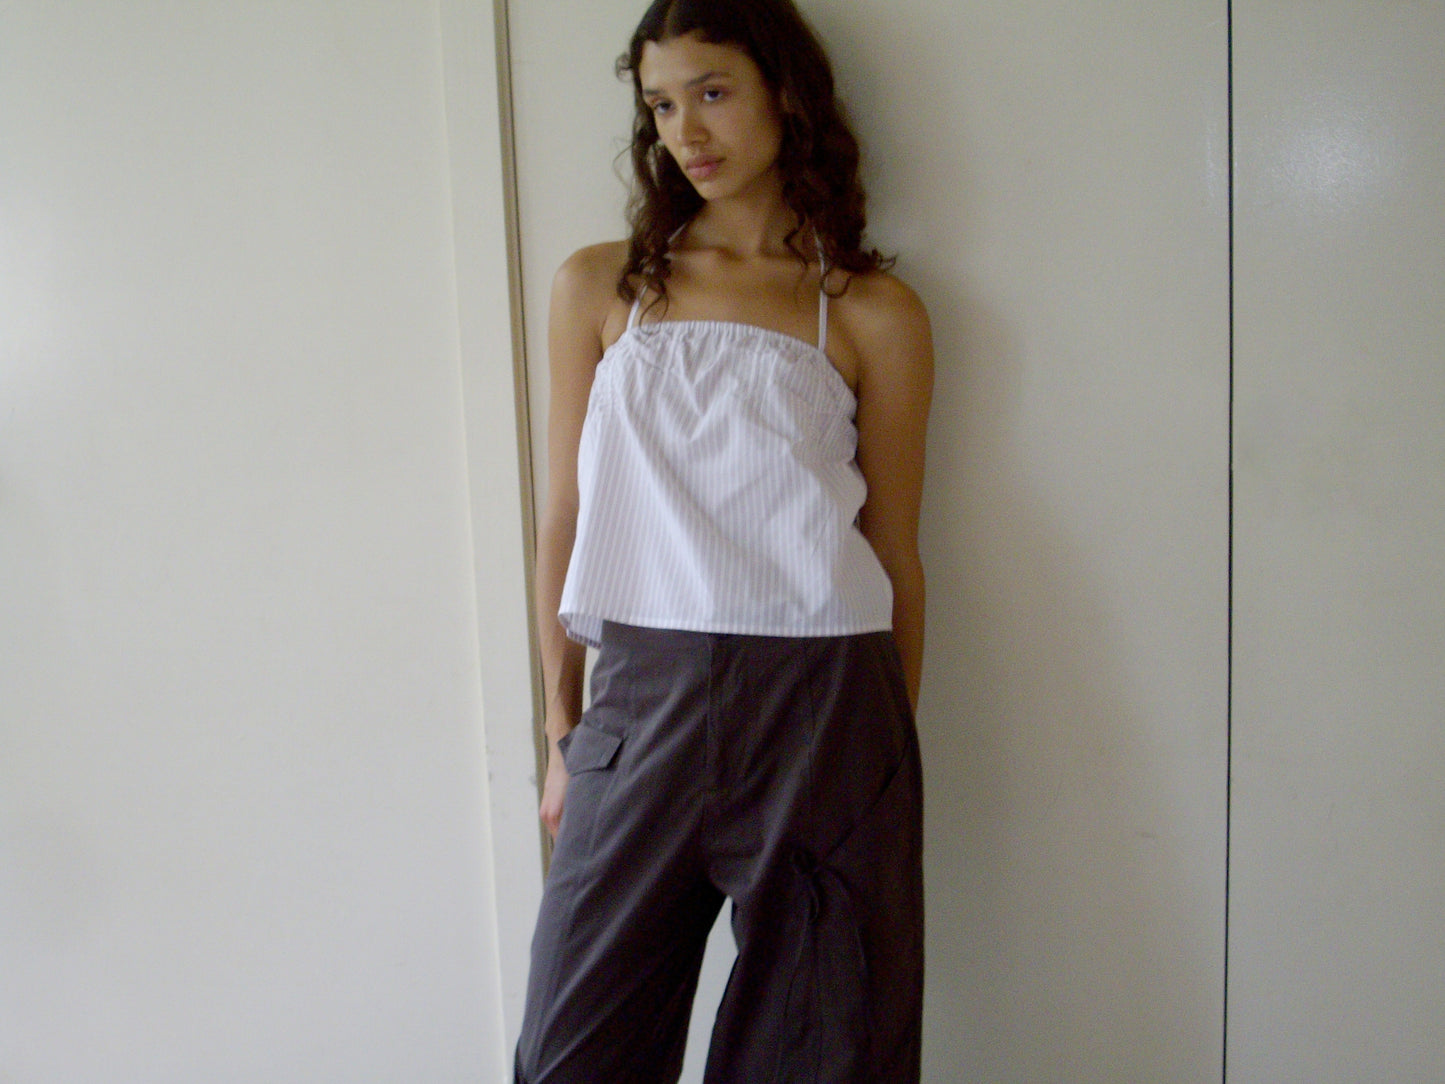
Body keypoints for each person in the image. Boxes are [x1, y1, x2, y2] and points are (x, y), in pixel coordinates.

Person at [516, 0, 932, 1080]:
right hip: (642, 693)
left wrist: (882, 767)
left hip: (827, 698)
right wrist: (562, 725)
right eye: (660, 104)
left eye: (711, 92)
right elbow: (560, 517)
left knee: (823, 1046)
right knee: (573, 1049)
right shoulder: (600, 285)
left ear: (784, 98)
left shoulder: (870, 309)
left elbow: (894, 550)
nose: (683, 131)